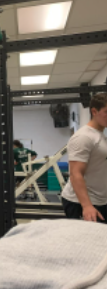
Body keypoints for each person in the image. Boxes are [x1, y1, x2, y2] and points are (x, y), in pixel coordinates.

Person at [61, 93, 107, 223]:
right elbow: (75, 174)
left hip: (99, 200)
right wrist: (87, 206)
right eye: (106, 112)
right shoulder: (84, 137)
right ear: (94, 111)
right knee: (88, 242)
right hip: (81, 202)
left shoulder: (100, 135)